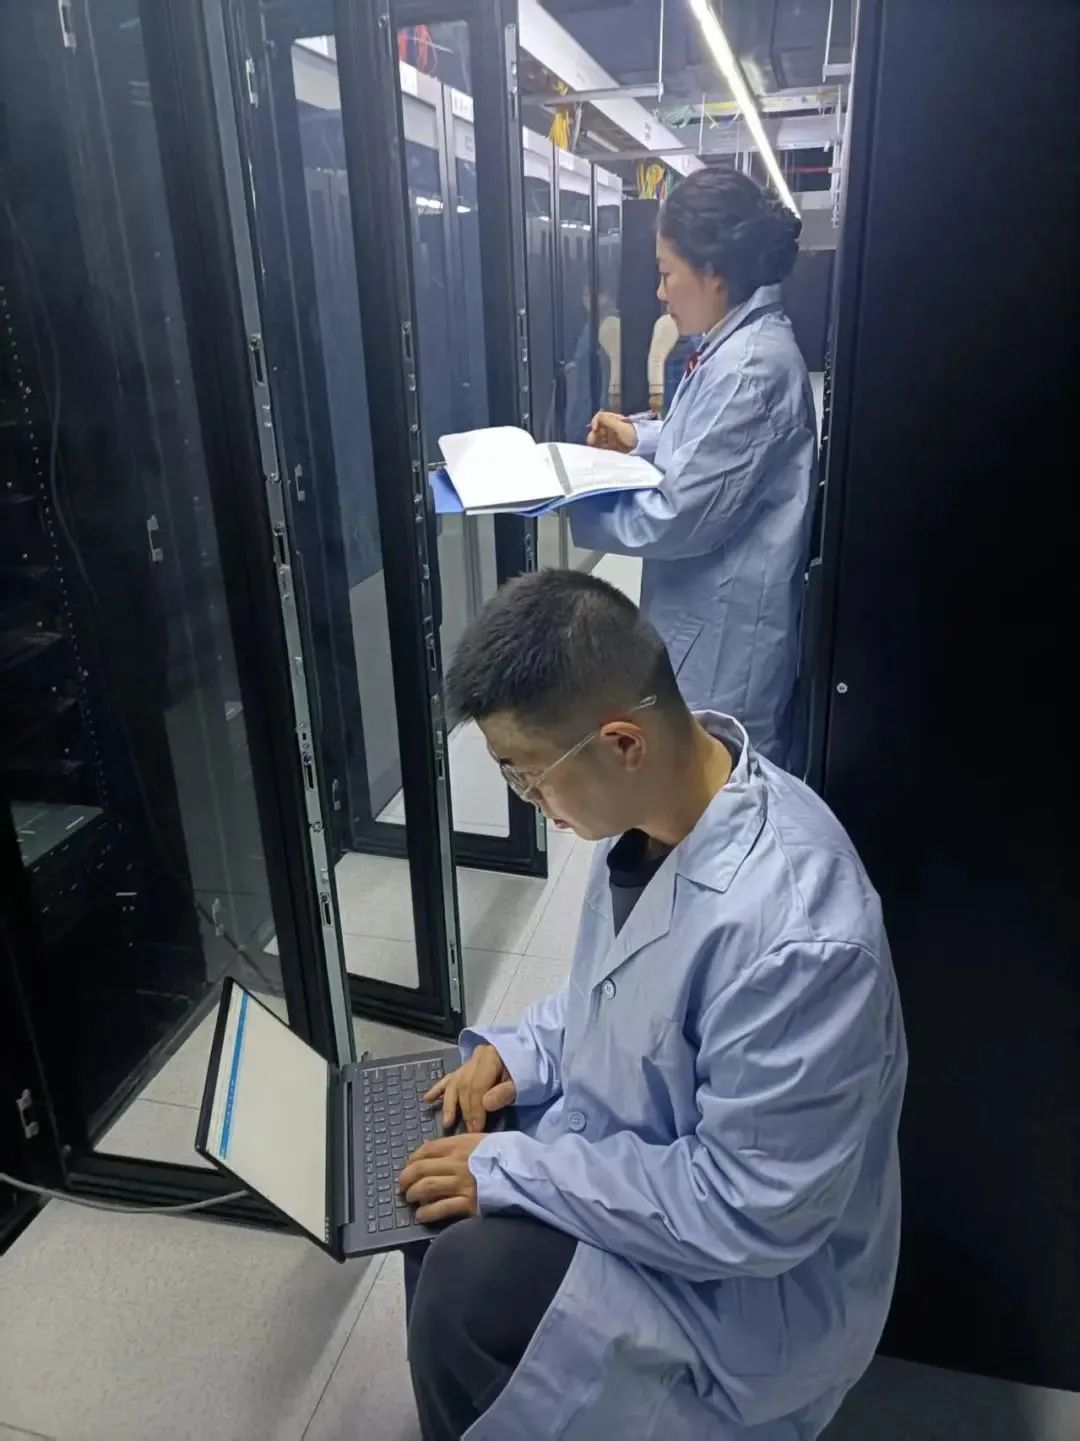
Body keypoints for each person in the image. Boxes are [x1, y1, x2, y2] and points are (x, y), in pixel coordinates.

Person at [398, 571, 906, 1441]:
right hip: (649, 1166)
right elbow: (612, 995)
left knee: (466, 1284)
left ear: (623, 743)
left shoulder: (800, 939)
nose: (534, 804)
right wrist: (517, 1053)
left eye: (530, 778)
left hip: (747, 1290)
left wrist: (514, 1169)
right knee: (435, 1158)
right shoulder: (653, 816)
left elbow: (746, 1210)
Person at [572, 170, 815, 767]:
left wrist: (566, 493)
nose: (660, 292)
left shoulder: (749, 370)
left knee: (712, 792)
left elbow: (675, 517)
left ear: (713, 272)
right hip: (706, 620)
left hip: (726, 646)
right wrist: (641, 436)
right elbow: (711, 441)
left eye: (666, 272)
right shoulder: (736, 346)